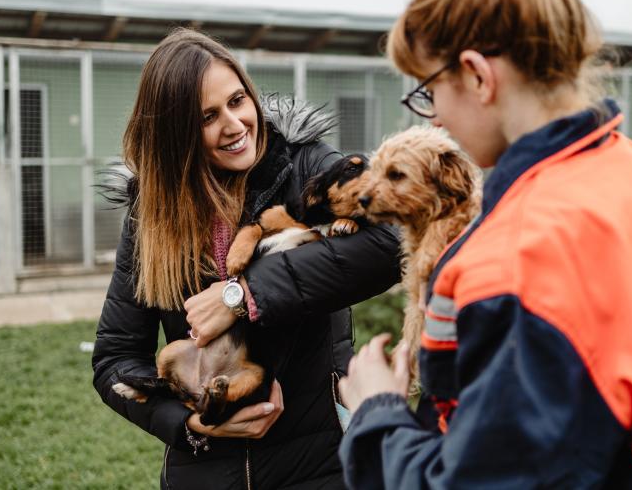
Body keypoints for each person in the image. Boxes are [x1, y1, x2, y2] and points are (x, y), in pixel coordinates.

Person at [337, 0, 632, 488]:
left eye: (428, 92)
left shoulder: (519, 258)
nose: (437, 116)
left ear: (477, 76)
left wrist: (377, 410)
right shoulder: (630, 168)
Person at [92, 29, 401, 489]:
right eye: (208, 117)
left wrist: (244, 293)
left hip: (317, 462)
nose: (235, 124)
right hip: (206, 470)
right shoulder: (151, 216)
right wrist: (191, 426)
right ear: (176, 135)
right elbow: (114, 358)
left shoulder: (304, 165)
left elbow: (390, 243)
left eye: (238, 101)